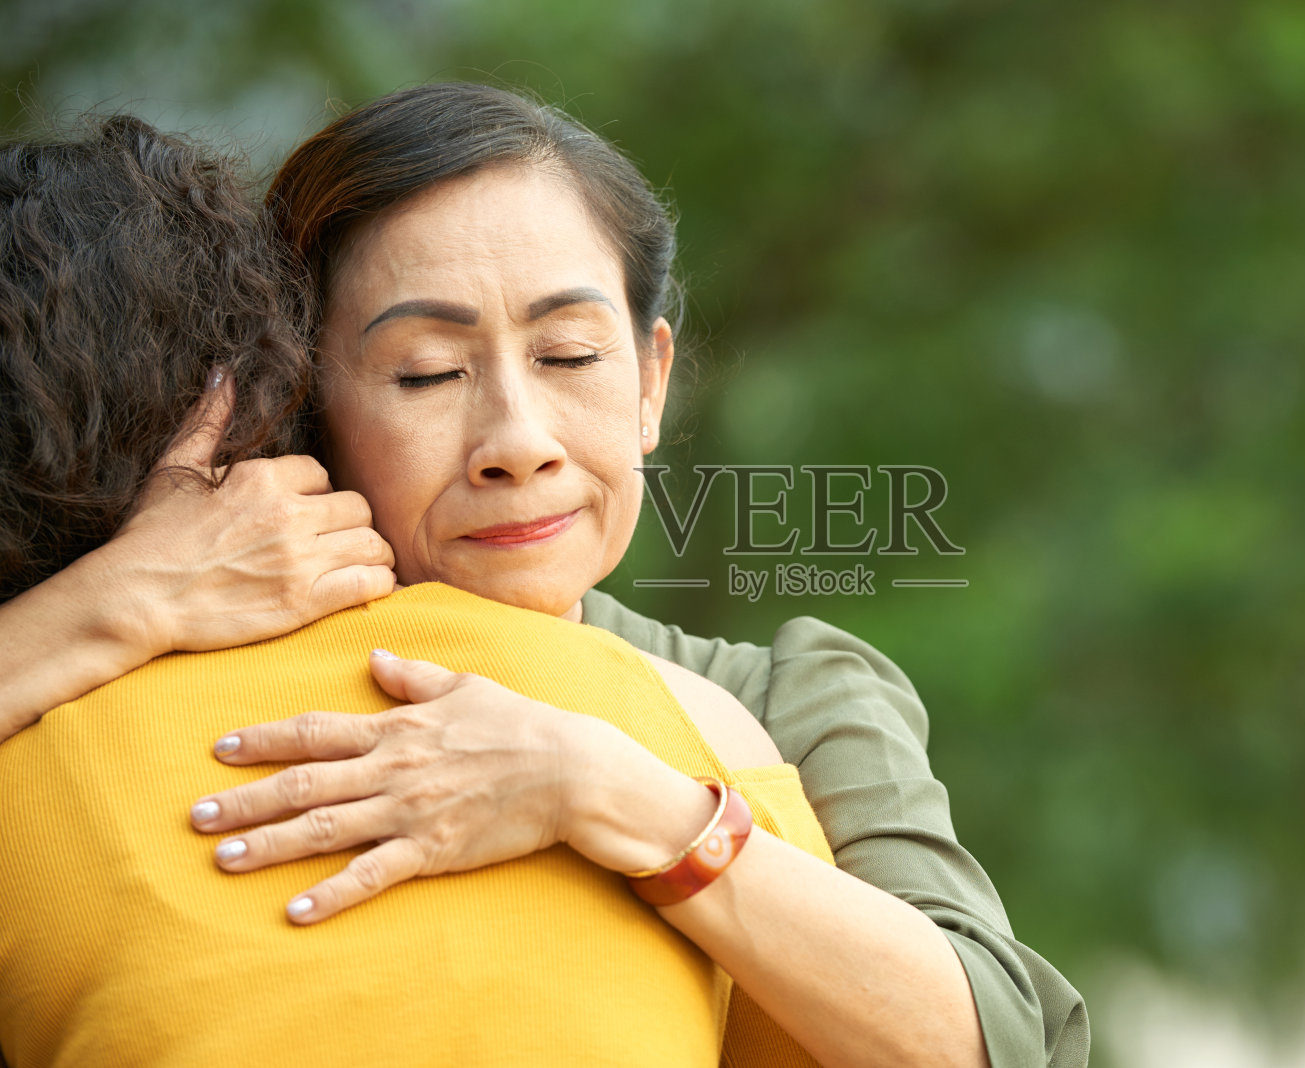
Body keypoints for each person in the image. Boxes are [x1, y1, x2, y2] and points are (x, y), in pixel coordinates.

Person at [2, 83, 1089, 1067]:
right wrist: (117, 599)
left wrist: (598, 787)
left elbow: (995, 1045)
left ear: (651, 383)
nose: (517, 442)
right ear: (307, 398)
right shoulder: (140, 675)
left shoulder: (777, 699)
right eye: (427, 373)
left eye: (569, 355)